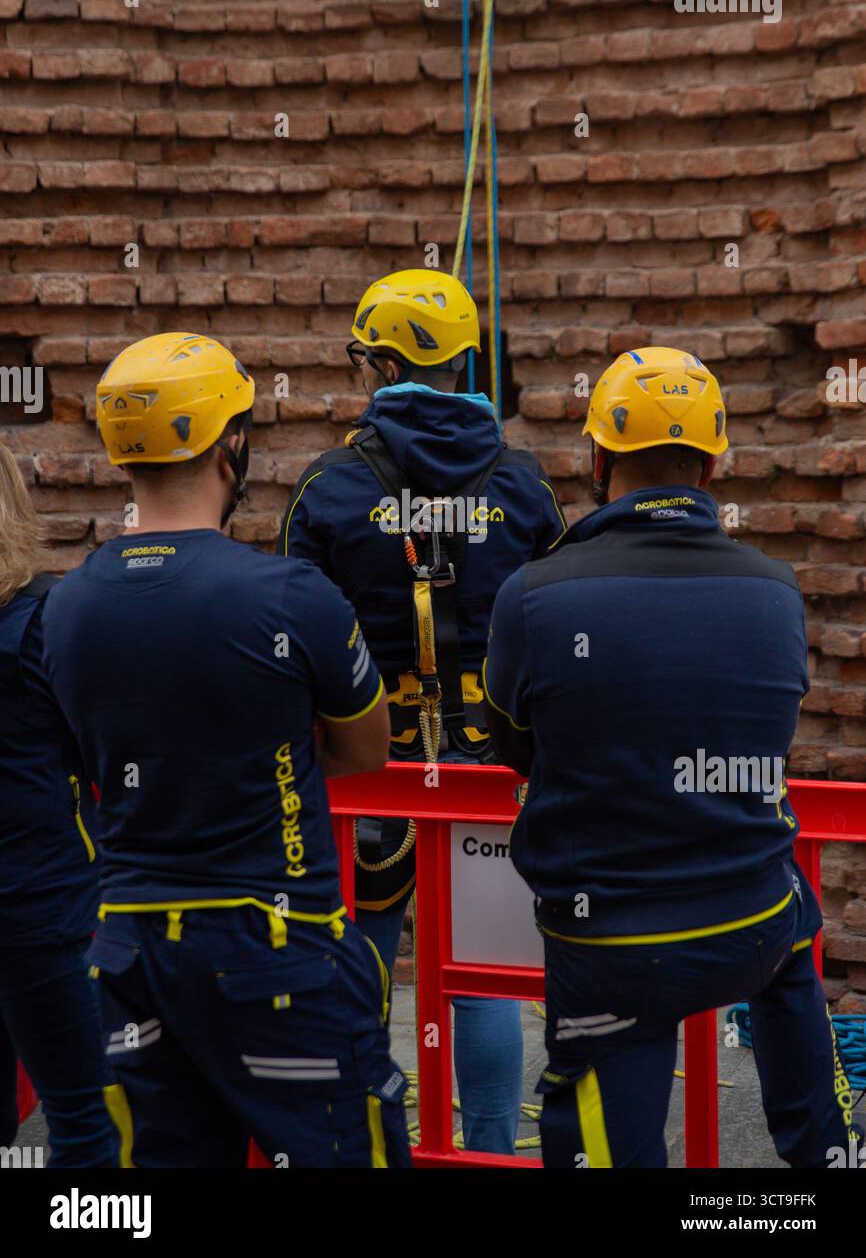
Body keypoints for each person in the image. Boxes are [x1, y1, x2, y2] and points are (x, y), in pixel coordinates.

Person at [34, 333, 410, 1168]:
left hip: (129, 952)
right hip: (279, 946)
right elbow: (366, 749)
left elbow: (89, 759)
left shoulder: (64, 608)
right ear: (230, 444)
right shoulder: (292, 594)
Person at [484, 345, 860, 1169]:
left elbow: (515, 745)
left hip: (611, 945)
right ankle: (827, 1149)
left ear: (597, 457)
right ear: (712, 464)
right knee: (792, 917)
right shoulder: (775, 589)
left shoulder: (533, 595)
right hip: (754, 924)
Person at [279, 268, 566, 1153]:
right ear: (462, 363)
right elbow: (555, 630)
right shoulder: (523, 484)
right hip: (486, 769)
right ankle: (488, 1152)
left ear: (387, 364)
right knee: (479, 977)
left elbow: (293, 641)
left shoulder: (329, 487)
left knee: (360, 961)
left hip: (366, 772)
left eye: (365, 358)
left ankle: (358, 1144)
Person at [0, 443, 117, 1167]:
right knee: (86, 1118)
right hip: (41, 906)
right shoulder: (43, 620)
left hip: (40, 897)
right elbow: (106, 749)